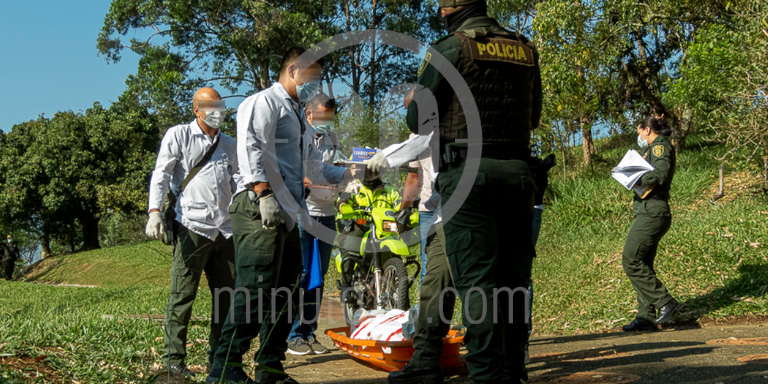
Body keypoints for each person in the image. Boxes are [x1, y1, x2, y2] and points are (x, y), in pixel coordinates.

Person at [366, 0, 542, 382]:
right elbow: (535, 116)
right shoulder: (524, 48)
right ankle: (504, 368)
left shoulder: (450, 48)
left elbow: (417, 118)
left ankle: (487, 375)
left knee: (478, 285)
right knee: (510, 281)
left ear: (450, 10)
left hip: (469, 179)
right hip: (518, 176)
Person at [206, 47, 355, 384]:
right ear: (293, 70)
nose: (315, 84)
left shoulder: (299, 116)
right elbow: (250, 146)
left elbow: (310, 166)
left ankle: (270, 366)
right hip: (260, 207)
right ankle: (225, 368)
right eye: (311, 76)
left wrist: (347, 174)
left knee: (289, 290)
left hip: (290, 211)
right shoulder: (263, 103)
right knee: (256, 288)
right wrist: (262, 191)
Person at [145, 87, 238, 377]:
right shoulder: (179, 135)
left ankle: (218, 361)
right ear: (196, 110)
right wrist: (154, 212)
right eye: (209, 106)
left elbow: (237, 181)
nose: (216, 110)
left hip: (225, 231)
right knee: (182, 295)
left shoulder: (230, 144)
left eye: (219, 105)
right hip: (191, 227)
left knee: (227, 297)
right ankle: (174, 362)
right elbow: (161, 174)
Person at [287, 93, 343, 356]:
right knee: (303, 274)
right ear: (309, 114)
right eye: (323, 116)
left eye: (330, 117)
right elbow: (300, 174)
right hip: (304, 213)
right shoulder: (299, 137)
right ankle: (293, 334)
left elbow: (328, 169)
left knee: (318, 278)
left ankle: (309, 332)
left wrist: (349, 175)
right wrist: (316, 183)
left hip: (327, 212)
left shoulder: (331, 138)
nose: (327, 121)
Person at [621, 115, 679, 332]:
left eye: (639, 132)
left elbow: (661, 174)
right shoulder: (652, 148)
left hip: (653, 212)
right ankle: (646, 316)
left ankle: (665, 301)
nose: (639, 137)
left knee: (630, 260)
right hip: (648, 211)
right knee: (643, 264)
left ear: (647, 130)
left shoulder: (659, 147)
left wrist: (635, 178)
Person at [337, 176, 402, 287]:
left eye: (374, 168)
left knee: (397, 256)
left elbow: (399, 206)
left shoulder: (389, 190)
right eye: (367, 168)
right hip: (360, 227)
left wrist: (404, 212)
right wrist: (344, 206)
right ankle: (345, 285)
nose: (371, 172)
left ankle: (401, 296)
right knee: (351, 248)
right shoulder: (353, 187)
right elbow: (342, 201)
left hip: (383, 231)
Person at [524, 153, 555, 364]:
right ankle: (520, 345)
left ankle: (518, 344)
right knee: (522, 274)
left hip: (521, 207)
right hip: (533, 207)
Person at [401, 133, 440, 286]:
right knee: (428, 267)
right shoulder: (415, 136)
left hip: (451, 205)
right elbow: (413, 177)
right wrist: (403, 209)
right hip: (428, 208)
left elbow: (413, 178)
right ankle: (427, 309)